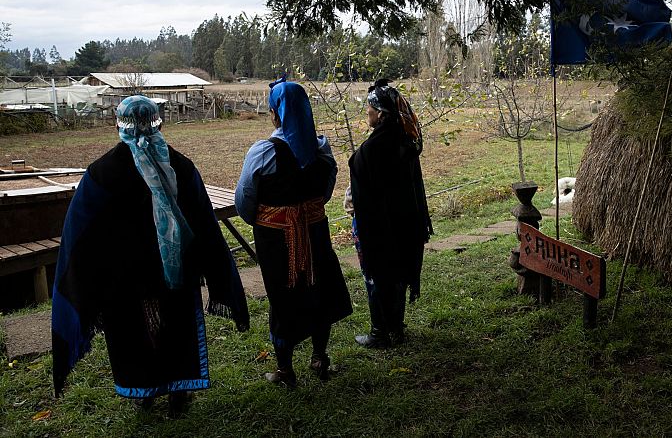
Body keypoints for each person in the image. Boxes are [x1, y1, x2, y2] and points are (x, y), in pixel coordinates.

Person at [51, 95, 250, 416]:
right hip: (177, 276)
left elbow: (80, 233)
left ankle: (144, 392)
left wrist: (88, 280)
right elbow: (204, 223)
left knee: (133, 335)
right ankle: (178, 395)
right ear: (159, 123)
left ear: (119, 126)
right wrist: (215, 270)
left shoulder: (101, 174)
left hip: (125, 282)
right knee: (177, 329)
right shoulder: (181, 167)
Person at [235, 77, 352, 387]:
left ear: (275, 114)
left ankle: (285, 370)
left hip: (276, 240)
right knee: (319, 289)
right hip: (316, 233)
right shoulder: (322, 149)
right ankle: (319, 356)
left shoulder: (263, 153)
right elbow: (325, 192)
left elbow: (244, 200)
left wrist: (271, 218)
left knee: (283, 296)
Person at [348, 78, 433, 349]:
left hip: (379, 228)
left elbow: (367, 192)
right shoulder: (405, 141)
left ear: (381, 113)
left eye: (370, 108)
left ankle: (379, 332)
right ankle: (396, 327)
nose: (367, 112)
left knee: (376, 275)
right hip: (405, 225)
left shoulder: (373, 148)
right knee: (398, 275)